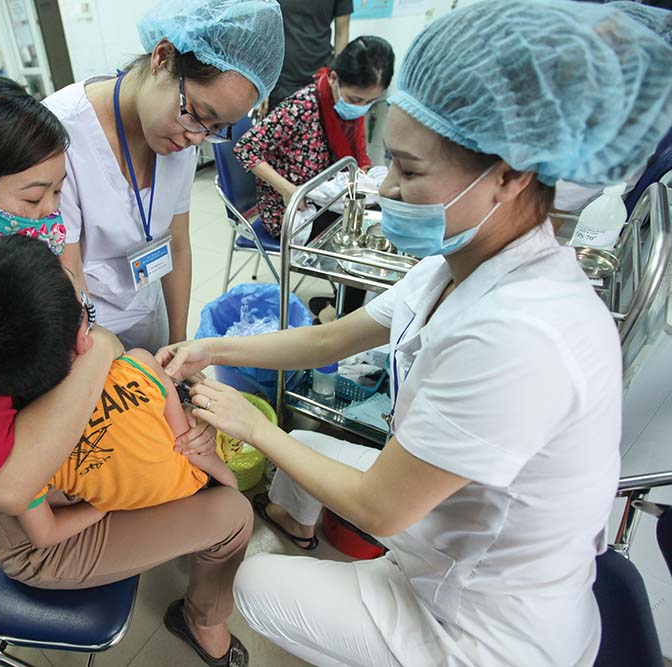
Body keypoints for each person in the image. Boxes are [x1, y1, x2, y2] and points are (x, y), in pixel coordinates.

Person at [158, 1, 672, 665]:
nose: (385, 190)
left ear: (509, 176)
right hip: (442, 536)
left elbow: (381, 507)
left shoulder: (523, 337)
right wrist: (213, 348)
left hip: (482, 625)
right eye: (388, 162)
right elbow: (325, 341)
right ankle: (301, 529)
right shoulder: (460, 262)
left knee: (257, 578)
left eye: (409, 170)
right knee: (310, 444)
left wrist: (254, 426)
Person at [0, 76, 254, 667]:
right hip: (40, 530)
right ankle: (203, 618)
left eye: (58, 191)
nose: (52, 212)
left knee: (203, 463)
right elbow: (8, 486)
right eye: (33, 198)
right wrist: (102, 348)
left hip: (81, 464)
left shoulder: (24, 257)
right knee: (233, 513)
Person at [0, 234, 238, 549]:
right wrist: (228, 484)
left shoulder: (25, 454)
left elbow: (45, 535)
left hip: (123, 514)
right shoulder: (140, 365)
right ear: (84, 336)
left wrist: (107, 504)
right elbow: (195, 449)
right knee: (236, 514)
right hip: (189, 487)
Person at [43, 0, 284, 352]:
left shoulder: (181, 134)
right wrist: (107, 363)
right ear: (163, 58)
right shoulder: (61, 133)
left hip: (146, 312)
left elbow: (179, 244)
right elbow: (68, 273)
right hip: (85, 334)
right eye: (199, 114)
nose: (197, 138)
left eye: (218, 128)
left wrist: (176, 344)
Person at [235, 36, 393, 238]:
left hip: (323, 196)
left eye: (370, 101)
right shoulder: (303, 106)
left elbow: (358, 160)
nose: (360, 108)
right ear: (334, 79)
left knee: (381, 214)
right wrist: (288, 190)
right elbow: (245, 148)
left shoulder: (346, 115)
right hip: (291, 209)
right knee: (361, 232)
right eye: (355, 99)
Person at [263, 0, 354, 113]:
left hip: (320, 78)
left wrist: (338, 78)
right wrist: (264, 84)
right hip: (281, 79)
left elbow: (342, 32)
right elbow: (265, 27)